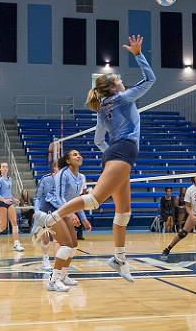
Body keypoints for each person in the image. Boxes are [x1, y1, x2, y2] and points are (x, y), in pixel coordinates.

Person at [33, 35, 154, 282]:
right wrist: (138, 54)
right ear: (113, 87)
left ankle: (119, 259)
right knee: (95, 199)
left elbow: (100, 141)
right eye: (119, 80)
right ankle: (50, 218)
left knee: (124, 213)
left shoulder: (102, 108)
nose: (122, 81)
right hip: (123, 152)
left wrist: (112, 154)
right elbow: (151, 79)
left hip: (118, 153)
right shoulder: (122, 97)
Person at [42, 150, 92, 291]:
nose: (78, 156)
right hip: (52, 209)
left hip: (65, 210)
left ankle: (63, 275)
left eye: (79, 154)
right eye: (74, 154)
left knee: (73, 245)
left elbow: (76, 201)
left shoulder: (81, 177)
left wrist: (83, 218)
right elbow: (58, 197)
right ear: (68, 160)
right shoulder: (63, 173)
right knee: (65, 245)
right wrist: (70, 214)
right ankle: (53, 281)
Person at [161, 175, 196, 255]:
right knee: (183, 233)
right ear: (193, 179)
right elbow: (187, 206)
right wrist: (191, 215)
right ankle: (168, 248)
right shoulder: (190, 189)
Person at [0, 162, 24, 252]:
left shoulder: (10, 179)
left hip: (9, 202)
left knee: (14, 223)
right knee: (3, 226)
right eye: (3, 167)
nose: (5, 168)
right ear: (0, 169)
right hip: (1, 203)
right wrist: (4, 200)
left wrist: (14, 199)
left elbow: (8, 193)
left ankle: (16, 244)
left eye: (6, 167)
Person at [32, 164, 59, 271]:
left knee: (59, 238)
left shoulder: (65, 180)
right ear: (54, 168)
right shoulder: (45, 179)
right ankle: (45, 258)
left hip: (58, 210)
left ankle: (58, 262)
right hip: (45, 210)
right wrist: (37, 211)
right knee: (46, 238)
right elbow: (38, 197)